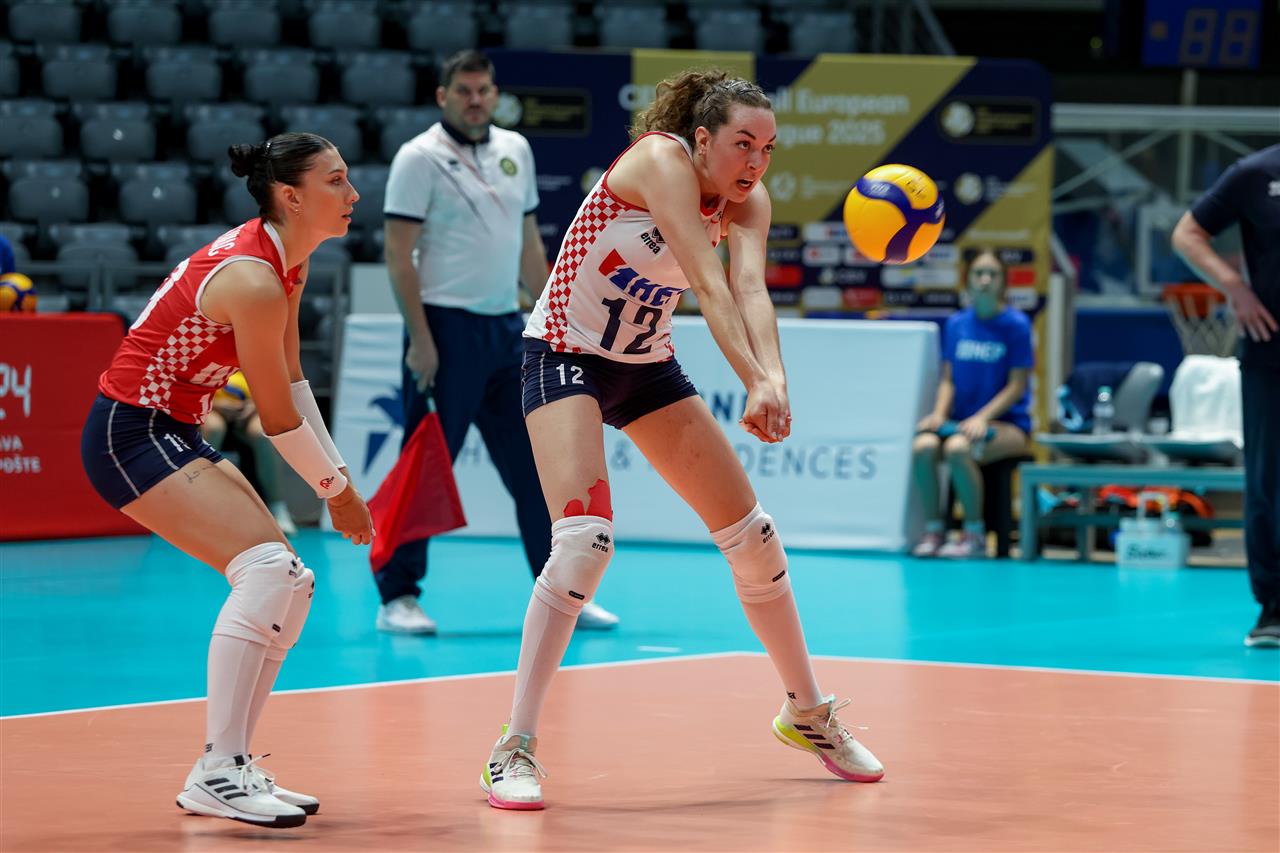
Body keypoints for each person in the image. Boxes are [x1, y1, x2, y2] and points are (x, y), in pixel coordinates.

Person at [477, 70, 884, 811]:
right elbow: (708, 278)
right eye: (742, 144)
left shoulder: (750, 200)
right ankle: (515, 745)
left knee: (754, 538)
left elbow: (751, 289)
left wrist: (774, 380)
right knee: (583, 542)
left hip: (645, 367)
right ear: (702, 139)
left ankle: (806, 713)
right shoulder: (660, 162)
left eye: (768, 147)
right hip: (564, 354)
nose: (756, 161)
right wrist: (751, 379)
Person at [80, 133, 373, 828]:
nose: (353, 194)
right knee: (268, 569)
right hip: (130, 431)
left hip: (171, 430)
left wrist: (339, 479)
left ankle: (227, 766)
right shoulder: (253, 278)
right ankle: (217, 769)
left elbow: (294, 384)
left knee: (291, 580)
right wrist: (337, 493)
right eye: (336, 181)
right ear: (291, 196)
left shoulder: (287, 263)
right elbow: (275, 418)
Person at [380, 49, 617, 634]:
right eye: (463, 91)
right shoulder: (418, 158)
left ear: (494, 94)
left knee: (539, 469)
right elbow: (398, 255)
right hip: (444, 331)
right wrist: (420, 339)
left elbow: (529, 243)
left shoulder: (517, 149)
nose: (474, 100)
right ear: (444, 96)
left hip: (509, 330)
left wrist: (557, 315)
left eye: (483, 90)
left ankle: (563, 590)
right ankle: (397, 597)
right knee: (425, 466)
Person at [1172, 144, 1280, 648]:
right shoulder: (1256, 173)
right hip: (1270, 351)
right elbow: (1187, 233)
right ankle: (1274, 608)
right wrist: (1235, 287)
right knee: (1268, 483)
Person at [910, 249, 1033, 559]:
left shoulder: (1016, 325)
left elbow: (1017, 385)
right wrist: (938, 415)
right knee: (923, 446)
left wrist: (982, 418)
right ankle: (935, 530)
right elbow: (948, 380)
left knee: (957, 449)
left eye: (993, 274)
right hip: (960, 424)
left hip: (1008, 426)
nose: (985, 280)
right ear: (968, 280)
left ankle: (974, 534)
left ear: (1004, 281)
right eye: (979, 273)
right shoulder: (957, 324)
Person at [200, 370, 299, 535]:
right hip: (210, 409)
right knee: (214, 429)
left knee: (262, 435)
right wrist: (214, 404)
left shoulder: (255, 357)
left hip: (251, 411)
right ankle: (202, 504)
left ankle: (277, 507)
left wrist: (254, 405)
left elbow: (273, 387)